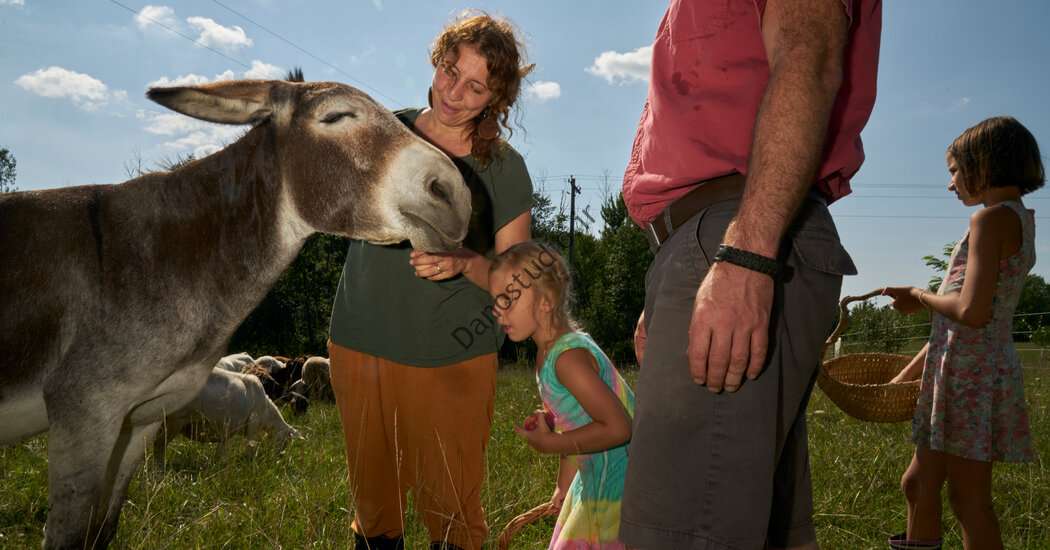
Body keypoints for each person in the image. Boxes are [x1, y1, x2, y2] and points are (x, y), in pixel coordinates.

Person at [619, 1, 882, 549]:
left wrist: (745, 254)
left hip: (742, 231)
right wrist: (679, 266)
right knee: (745, 517)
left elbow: (807, 58)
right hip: (712, 240)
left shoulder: (745, 243)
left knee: (680, 530)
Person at [326, 12, 534, 550]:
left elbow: (520, 286)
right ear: (435, 61)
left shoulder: (505, 170)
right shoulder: (382, 135)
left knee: (454, 518)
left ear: (495, 99)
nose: (454, 93)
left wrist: (464, 261)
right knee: (374, 515)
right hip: (359, 344)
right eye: (449, 71)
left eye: (475, 86)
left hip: (453, 360)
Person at [882, 116, 1043, 550]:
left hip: (971, 376)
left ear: (984, 163)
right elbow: (959, 318)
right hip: (964, 368)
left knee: (969, 498)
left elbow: (970, 312)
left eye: (954, 170)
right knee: (918, 484)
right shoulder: (1015, 219)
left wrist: (919, 293)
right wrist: (909, 374)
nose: (951, 184)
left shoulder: (989, 221)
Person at [489, 241, 635, 549]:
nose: (497, 311)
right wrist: (563, 484)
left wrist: (551, 443)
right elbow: (579, 428)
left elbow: (620, 428)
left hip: (621, 487)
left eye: (508, 299)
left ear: (547, 301)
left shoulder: (568, 359)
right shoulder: (549, 353)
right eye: (495, 301)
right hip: (596, 474)